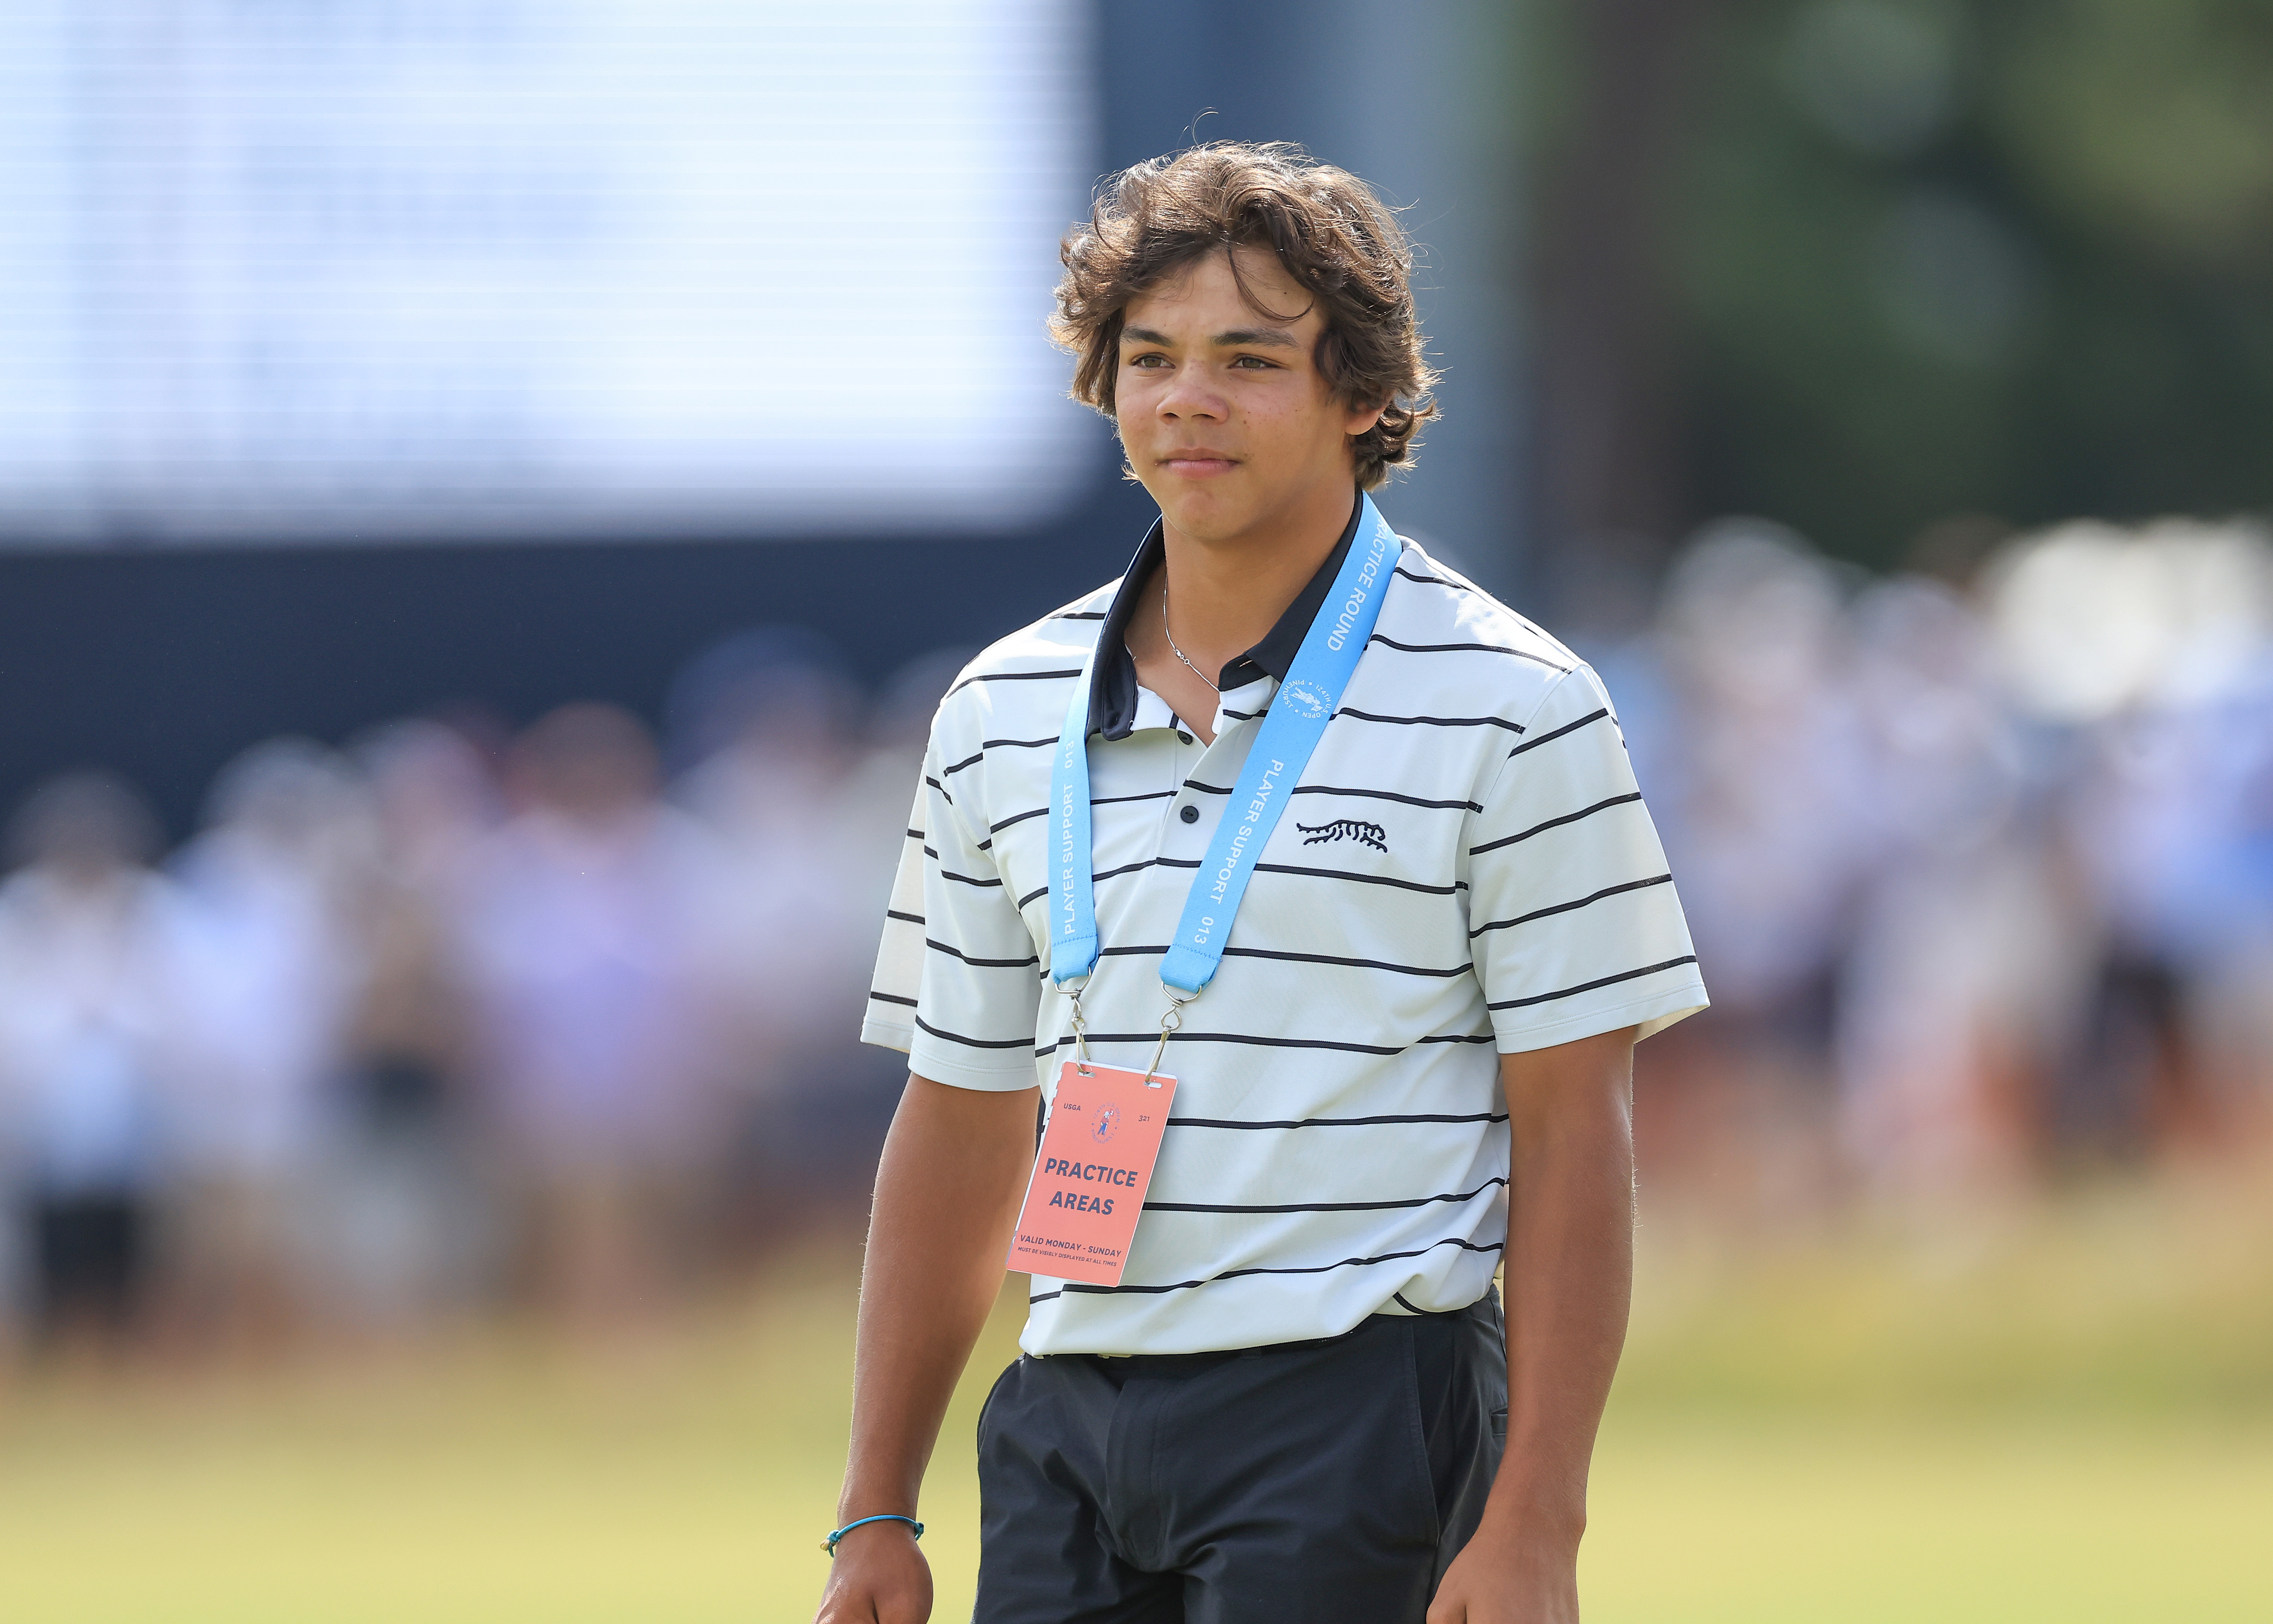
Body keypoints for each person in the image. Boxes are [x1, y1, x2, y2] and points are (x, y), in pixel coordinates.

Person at [818, 143, 1708, 1624]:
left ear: (1362, 396)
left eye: (1248, 359)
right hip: (1062, 1416)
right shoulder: (996, 706)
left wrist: (1537, 1515)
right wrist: (873, 1509)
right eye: (1148, 357)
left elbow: (1572, 1133)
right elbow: (961, 1112)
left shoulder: (1515, 704)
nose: (1187, 400)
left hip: (1358, 1407)